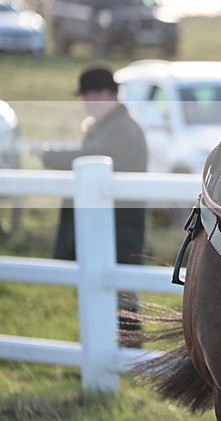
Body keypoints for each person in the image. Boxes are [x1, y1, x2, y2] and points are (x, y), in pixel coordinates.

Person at [38, 64, 148, 342]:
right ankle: (108, 347)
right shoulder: (108, 127)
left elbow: (89, 157)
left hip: (120, 223)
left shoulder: (124, 129)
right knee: (102, 287)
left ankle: (127, 351)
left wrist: (48, 155)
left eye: (91, 96)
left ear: (107, 94)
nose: (87, 103)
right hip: (107, 220)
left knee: (120, 290)